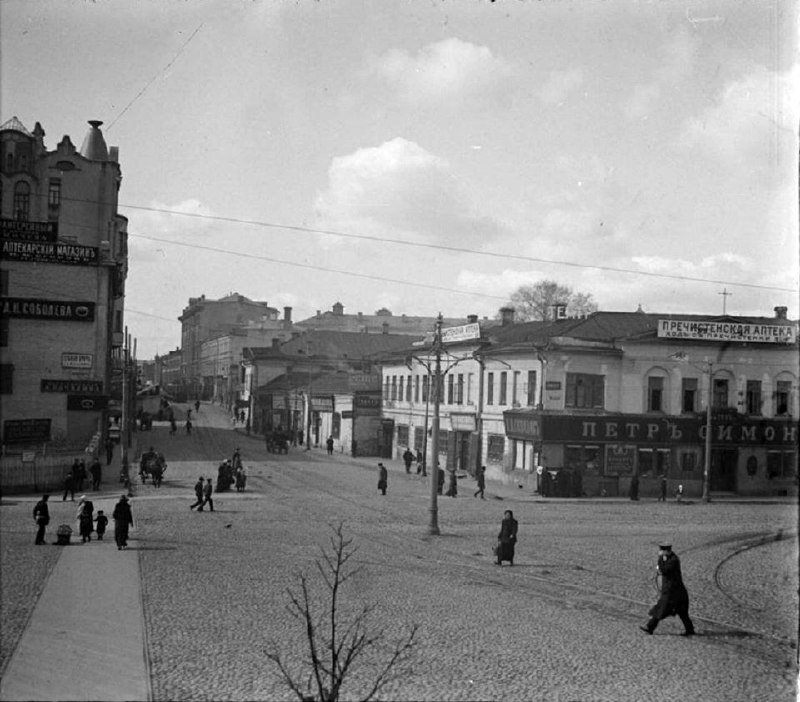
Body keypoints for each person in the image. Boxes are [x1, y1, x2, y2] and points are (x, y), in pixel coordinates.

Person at [640, 544, 695, 636]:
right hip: (675, 591)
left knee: (662, 609)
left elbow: (664, 570)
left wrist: (660, 561)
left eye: (662, 550)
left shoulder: (673, 560)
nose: (660, 552)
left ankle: (650, 627)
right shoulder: (667, 558)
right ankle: (690, 629)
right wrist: (661, 560)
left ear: (666, 551)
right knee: (681, 612)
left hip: (672, 591)